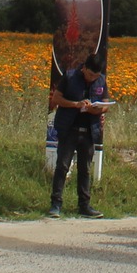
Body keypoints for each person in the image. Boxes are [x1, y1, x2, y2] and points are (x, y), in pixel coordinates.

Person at [48, 56, 108, 218]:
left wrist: (97, 109)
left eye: (95, 76)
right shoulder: (69, 76)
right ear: (84, 68)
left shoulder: (101, 80)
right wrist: (77, 104)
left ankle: (84, 206)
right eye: (90, 74)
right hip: (69, 128)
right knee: (62, 166)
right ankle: (56, 204)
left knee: (85, 169)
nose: (92, 78)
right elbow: (56, 99)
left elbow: (105, 102)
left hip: (89, 130)